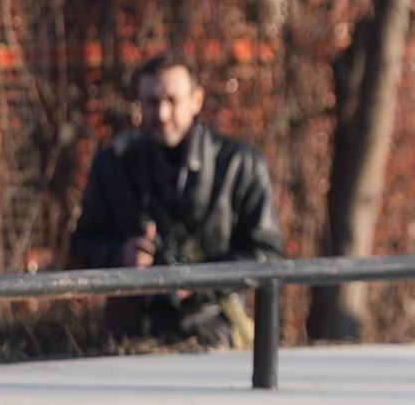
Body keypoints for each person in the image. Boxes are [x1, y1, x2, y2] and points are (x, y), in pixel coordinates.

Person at [71, 52, 286, 347]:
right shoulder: (114, 163)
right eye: (151, 102)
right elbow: (81, 246)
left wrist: (202, 281)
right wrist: (121, 255)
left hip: (214, 333)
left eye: (172, 100)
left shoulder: (240, 164)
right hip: (133, 336)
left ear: (197, 100)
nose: (161, 113)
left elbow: (268, 253)